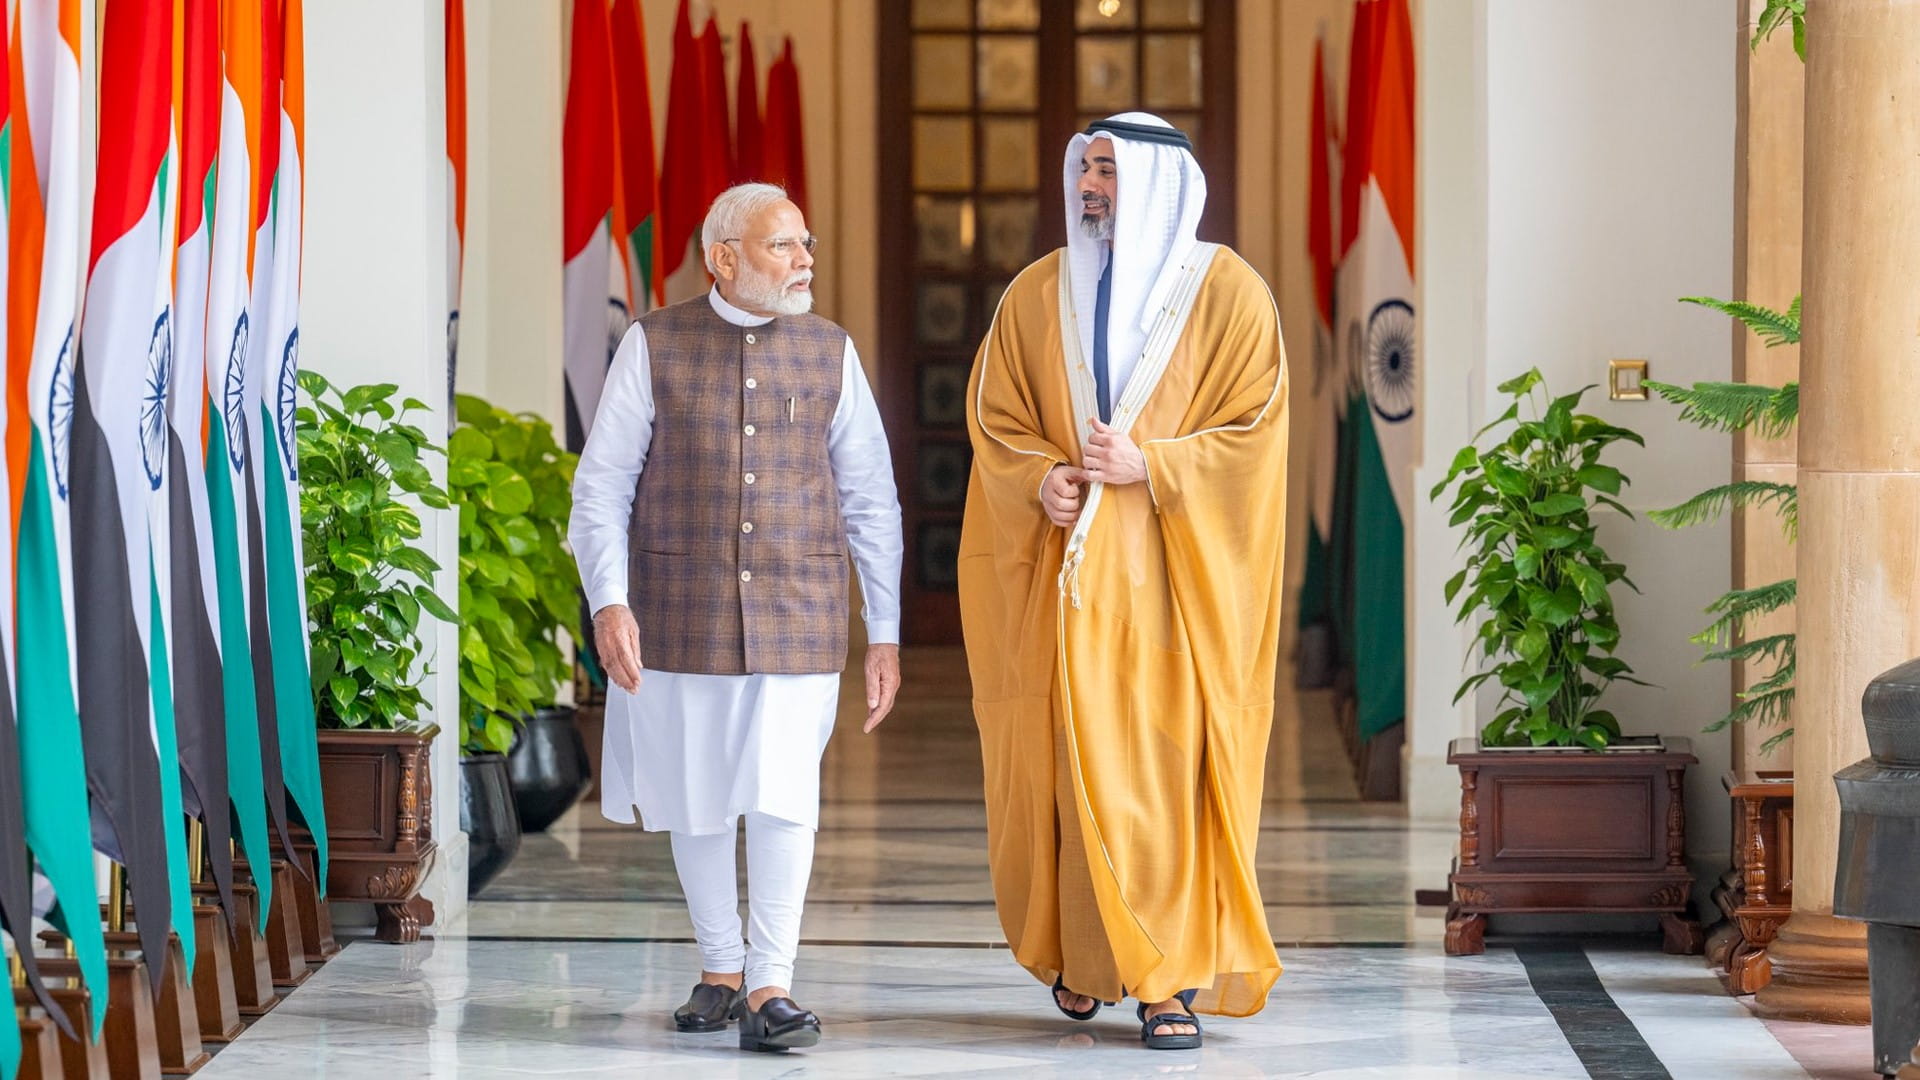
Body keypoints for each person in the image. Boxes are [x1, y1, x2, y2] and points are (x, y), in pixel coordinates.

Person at [957, 112, 1289, 1051]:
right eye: (1086, 169)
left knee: (1164, 776)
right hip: (1064, 582)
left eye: (1108, 171)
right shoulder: (1037, 291)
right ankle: (1083, 955)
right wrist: (1042, 480)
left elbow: (1255, 432)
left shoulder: (1229, 292)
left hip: (1173, 588)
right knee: (1066, 770)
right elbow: (997, 416)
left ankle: (1167, 982)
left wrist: (1156, 466)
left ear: (1156, 183)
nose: (1091, 186)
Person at [568, 182, 903, 1054]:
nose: (804, 261)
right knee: (698, 797)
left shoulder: (831, 351)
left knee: (786, 792)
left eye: (805, 243)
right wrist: (609, 601)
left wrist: (886, 630)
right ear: (723, 258)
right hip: (680, 609)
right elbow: (601, 487)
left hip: (802, 610)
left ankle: (770, 985)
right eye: (782, 246)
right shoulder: (653, 343)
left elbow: (871, 498)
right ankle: (721, 967)